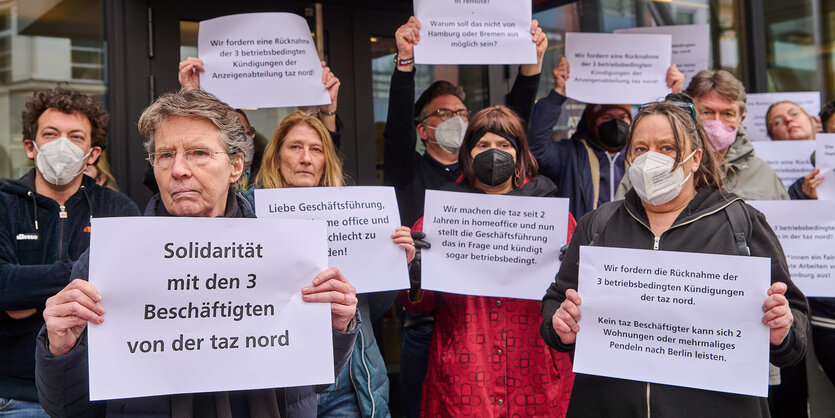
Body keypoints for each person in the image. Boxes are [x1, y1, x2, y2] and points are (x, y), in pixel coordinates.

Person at [34, 88, 359, 417]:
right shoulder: (109, 262)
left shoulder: (286, 253)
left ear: (235, 167)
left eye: (198, 153)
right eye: (164, 155)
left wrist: (337, 326)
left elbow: (312, 381)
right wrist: (60, 350)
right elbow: (66, 408)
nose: (178, 170)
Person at [541, 101, 807, 417]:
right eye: (640, 148)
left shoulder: (741, 223)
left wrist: (783, 333)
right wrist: (560, 325)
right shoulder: (597, 225)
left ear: (695, 159)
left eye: (667, 147)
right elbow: (556, 301)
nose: (651, 158)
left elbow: (794, 325)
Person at [385, 17, 548, 416]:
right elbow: (395, 131)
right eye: (442, 113)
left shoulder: (495, 178)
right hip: (430, 318)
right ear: (422, 129)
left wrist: (531, 64)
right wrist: (405, 63)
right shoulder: (410, 169)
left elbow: (511, 123)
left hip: (493, 323)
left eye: (461, 111)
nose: (455, 119)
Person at [398, 105, 577, 417]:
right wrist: (414, 275)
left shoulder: (559, 221)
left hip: (537, 376)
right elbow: (415, 306)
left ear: (520, 154)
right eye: (483, 145)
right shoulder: (438, 222)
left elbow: (579, 304)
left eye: (504, 145)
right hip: (464, 378)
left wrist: (572, 274)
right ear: (468, 154)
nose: (494, 153)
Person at [247, 110, 415, 418]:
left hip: (347, 384)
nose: (306, 158)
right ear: (276, 155)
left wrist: (394, 263)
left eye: (316, 149)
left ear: (326, 160)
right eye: (295, 147)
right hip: (279, 384)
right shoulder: (247, 213)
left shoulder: (354, 213)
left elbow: (371, 310)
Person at [0, 85, 140, 416]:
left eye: (75, 137)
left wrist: (28, 295)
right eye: (50, 133)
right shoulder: (4, 203)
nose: (62, 145)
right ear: (30, 148)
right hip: (15, 395)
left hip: (91, 392)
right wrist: (84, 275)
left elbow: (131, 288)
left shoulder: (116, 207)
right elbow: (3, 286)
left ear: (92, 154)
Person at [527, 56, 685, 219]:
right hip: (584, 239)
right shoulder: (570, 156)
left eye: (623, 117)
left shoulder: (644, 157)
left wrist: (676, 99)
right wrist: (558, 93)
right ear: (592, 124)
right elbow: (536, 148)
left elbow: (685, 148)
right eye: (607, 118)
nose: (616, 124)